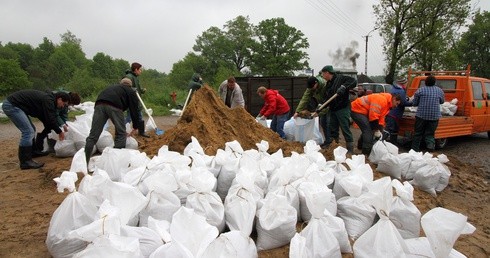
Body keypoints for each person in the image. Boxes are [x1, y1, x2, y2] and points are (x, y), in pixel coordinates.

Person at [2, 90, 71, 169]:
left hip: (15, 105)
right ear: (59, 99)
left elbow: (47, 119)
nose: (63, 106)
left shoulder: (49, 100)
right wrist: (59, 132)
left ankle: (33, 152)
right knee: (28, 132)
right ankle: (25, 162)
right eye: (63, 104)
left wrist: (51, 129)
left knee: (32, 129)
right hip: (12, 105)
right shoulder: (48, 101)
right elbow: (50, 118)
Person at [84, 78, 142, 164]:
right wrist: (136, 126)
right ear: (130, 85)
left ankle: (84, 162)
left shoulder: (113, 87)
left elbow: (107, 106)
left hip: (99, 104)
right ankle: (115, 163)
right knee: (121, 134)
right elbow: (134, 109)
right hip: (115, 105)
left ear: (120, 83)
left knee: (93, 135)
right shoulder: (130, 91)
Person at [320, 65, 358, 153]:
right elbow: (327, 98)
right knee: (333, 129)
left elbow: (353, 81)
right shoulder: (328, 84)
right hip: (333, 109)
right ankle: (335, 147)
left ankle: (350, 150)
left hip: (342, 108)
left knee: (345, 128)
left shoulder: (341, 78)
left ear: (327, 73)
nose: (322, 76)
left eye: (323, 74)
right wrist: (321, 105)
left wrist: (344, 87)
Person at [294, 75, 331, 147]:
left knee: (328, 123)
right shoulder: (311, 87)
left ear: (316, 83)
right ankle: (327, 141)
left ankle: (331, 142)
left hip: (329, 105)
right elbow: (305, 98)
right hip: (321, 103)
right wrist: (297, 111)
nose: (311, 89)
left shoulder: (325, 86)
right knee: (323, 123)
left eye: (312, 87)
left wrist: (318, 113)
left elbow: (327, 102)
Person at [411, 75, 445, 152]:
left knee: (418, 134)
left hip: (421, 116)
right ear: (434, 83)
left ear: (425, 82)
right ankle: (430, 151)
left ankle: (414, 151)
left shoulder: (420, 90)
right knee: (430, 134)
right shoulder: (440, 91)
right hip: (434, 116)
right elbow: (442, 101)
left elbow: (415, 103)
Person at [124, 62, 149, 138]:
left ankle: (141, 132)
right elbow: (125, 87)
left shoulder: (136, 77)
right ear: (136, 69)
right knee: (129, 117)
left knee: (140, 116)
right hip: (131, 101)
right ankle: (122, 130)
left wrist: (141, 90)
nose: (141, 71)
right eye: (140, 69)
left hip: (137, 101)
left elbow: (136, 88)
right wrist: (132, 89)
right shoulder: (129, 77)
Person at [385, 77, 409, 144]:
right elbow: (403, 103)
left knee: (391, 129)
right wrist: (413, 102)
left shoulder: (393, 89)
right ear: (403, 83)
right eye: (406, 83)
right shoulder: (401, 91)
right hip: (395, 114)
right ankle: (381, 142)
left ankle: (392, 144)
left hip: (390, 112)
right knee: (391, 130)